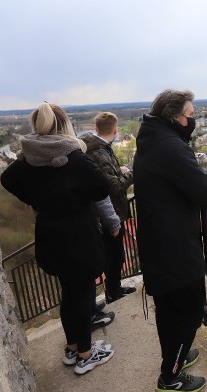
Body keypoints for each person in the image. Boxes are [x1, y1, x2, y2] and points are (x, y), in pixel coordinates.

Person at [1, 102, 115, 375]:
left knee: (69, 293)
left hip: (50, 233)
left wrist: (36, 198)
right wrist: (75, 195)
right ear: (65, 125)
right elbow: (102, 187)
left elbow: (7, 180)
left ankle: (73, 347)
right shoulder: (72, 155)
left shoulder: (28, 157)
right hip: (79, 234)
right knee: (82, 293)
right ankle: (86, 354)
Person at [133, 89, 207, 392]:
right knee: (189, 311)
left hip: (160, 244)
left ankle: (176, 355)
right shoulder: (171, 148)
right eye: (190, 115)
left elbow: (181, 181)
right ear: (175, 117)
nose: (193, 121)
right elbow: (204, 191)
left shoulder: (152, 140)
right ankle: (170, 378)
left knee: (169, 310)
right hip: (175, 248)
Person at [81, 112, 136, 305]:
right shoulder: (99, 152)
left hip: (104, 213)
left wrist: (118, 171)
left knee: (113, 255)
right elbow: (114, 186)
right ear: (115, 130)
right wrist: (131, 174)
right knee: (115, 256)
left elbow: (106, 178)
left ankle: (115, 288)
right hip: (109, 214)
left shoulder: (96, 148)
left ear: (96, 128)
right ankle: (113, 291)